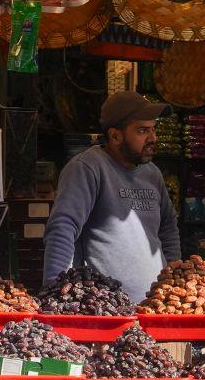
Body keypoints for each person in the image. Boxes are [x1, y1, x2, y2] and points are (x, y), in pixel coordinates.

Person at [43, 90, 181, 304]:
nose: (153, 138)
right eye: (143, 131)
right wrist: (53, 290)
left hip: (156, 307)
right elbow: (63, 228)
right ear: (116, 136)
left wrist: (175, 282)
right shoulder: (87, 168)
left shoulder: (152, 173)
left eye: (154, 130)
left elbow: (168, 228)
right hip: (104, 309)